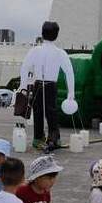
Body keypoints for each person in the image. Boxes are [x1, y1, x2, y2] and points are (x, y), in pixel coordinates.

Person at [19, 21, 75, 151]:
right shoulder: (60, 53)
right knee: (52, 112)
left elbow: (24, 68)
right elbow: (69, 73)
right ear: (56, 35)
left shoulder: (35, 51)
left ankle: (38, 139)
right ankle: (54, 139)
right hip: (51, 85)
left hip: (38, 84)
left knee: (38, 112)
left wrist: (23, 86)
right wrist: (70, 93)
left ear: (42, 34)